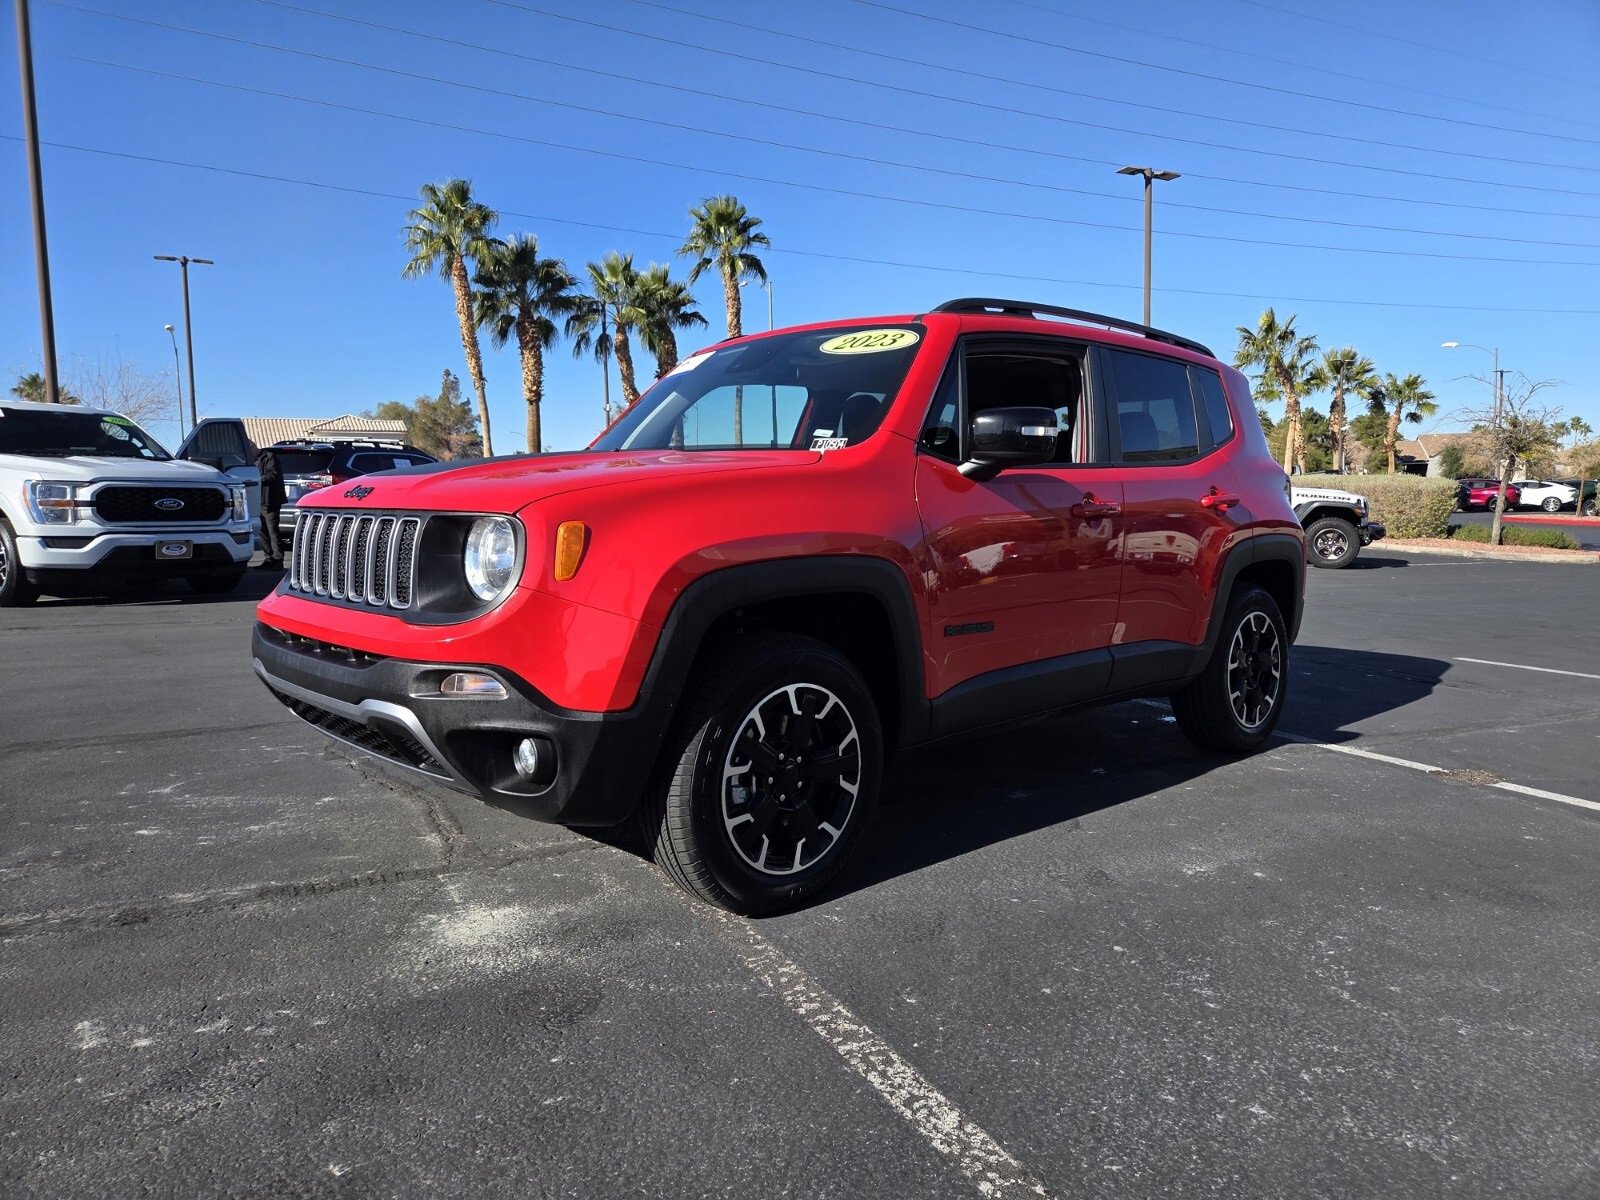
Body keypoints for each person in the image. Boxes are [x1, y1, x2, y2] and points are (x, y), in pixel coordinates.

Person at [255, 445, 286, 569]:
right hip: (257, 501)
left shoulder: (269, 457)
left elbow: (273, 475)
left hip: (270, 501)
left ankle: (278, 560)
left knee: (273, 531)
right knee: (262, 532)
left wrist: (256, 479)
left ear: (253, 446)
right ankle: (268, 559)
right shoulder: (250, 460)